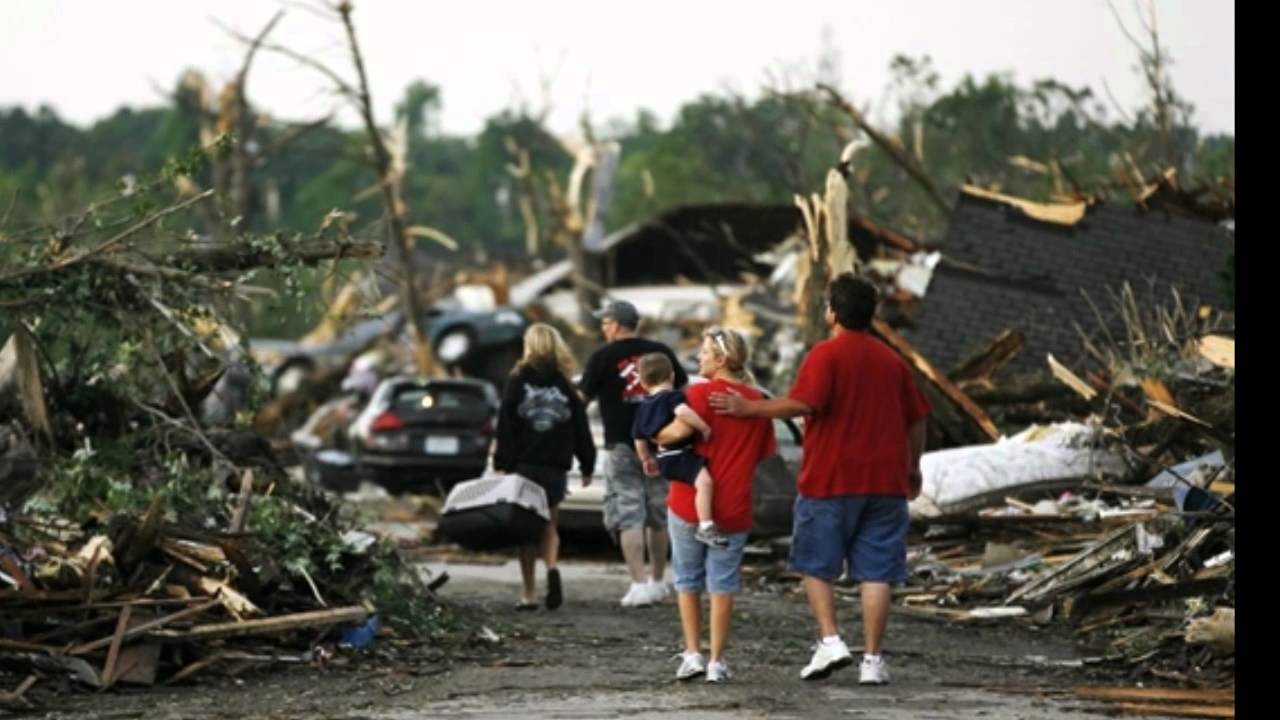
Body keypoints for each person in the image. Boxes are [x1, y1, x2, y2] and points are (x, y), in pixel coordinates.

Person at [709, 273, 931, 685]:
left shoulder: (825, 356)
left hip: (830, 480)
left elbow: (802, 403)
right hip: (885, 482)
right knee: (878, 572)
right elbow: (917, 418)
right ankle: (874, 662)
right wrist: (912, 467)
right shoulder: (892, 362)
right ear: (873, 313)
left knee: (815, 564)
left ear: (832, 313)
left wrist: (746, 408)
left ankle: (830, 640)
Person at [653, 326, 775, 683]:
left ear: (721, 359)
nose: (699, 357)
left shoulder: (698, 395)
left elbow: (671, 435)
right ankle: (717, 662)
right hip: (734, 505)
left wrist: (652, 435)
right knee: (723, 583)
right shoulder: (756, 402)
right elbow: (763, 455)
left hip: (688, 501)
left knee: (687, 579)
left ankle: (692, 653)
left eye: (704, 352)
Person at [579, 300, 687, 607]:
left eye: (604, 323)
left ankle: (638, 583)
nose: (603, 328)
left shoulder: (602, 357)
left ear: (615, 324)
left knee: (628, 513)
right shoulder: (661, 351)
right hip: (662, 441)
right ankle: (658, 579)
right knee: (658, 513)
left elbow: (582, 399)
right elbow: (683, 387)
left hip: (622, 444)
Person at [493, 323, 595, 611]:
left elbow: (506, 424)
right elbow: (580, 427)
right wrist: (587, 463)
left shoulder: (517, 380)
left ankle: (529, 594)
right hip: (555, 465)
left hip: (524, 465)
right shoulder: (564, 383)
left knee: (527, 529)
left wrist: (503, 462)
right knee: (550, 524)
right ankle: (551, 567)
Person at [630, 352, 728, 548]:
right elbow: (683, 412)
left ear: (643, 382)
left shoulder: (644, 406)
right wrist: (704, 427)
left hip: (663, 459)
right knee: (706, 483)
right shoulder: (673, 397)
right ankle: (706, 526)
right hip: (679, 454)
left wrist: (646, 460)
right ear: (672, 376)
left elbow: (638, 438)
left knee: (696, 485)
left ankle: (702, 524)